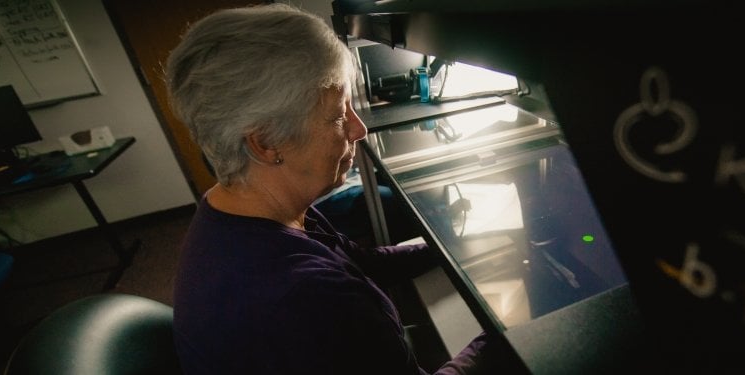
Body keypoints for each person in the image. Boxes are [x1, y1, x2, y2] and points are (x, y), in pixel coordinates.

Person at [165, 4, 520, 374]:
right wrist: (506, 332)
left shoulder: (245, 202)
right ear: (266, 142)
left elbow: (359, 261)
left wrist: (443, 246)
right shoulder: (302, 298)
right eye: (337, 115)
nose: (358, 129)